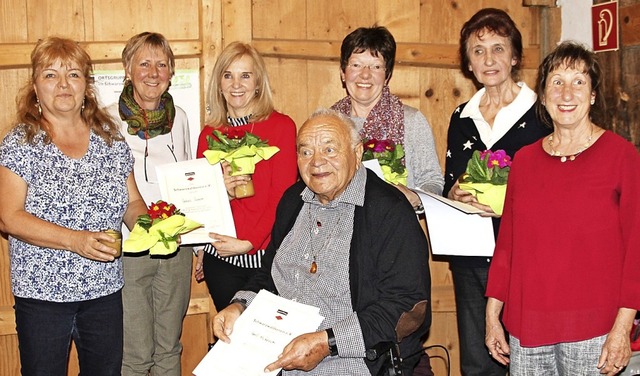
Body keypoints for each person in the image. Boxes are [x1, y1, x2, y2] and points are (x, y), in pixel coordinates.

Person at [213, 108, 431, 375]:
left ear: (357, 152)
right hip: (275, 350)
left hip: (351, 359)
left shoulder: (389, 211)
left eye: (329, 150)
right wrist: (240, 305)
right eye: (305, 152)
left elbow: (407, 307)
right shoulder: (293, 200)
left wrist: (327, 342)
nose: (316, 162)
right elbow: (270, 274)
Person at [485, 41, 640, 376]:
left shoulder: (622, 156)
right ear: (543, 96)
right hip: (528, 328)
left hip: (596, 330)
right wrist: (492, 314)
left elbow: (637, 251)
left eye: (579, 82)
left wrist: (622, 327)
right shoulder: (525, 160)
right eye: (557, 82)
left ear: (593, 95)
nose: (566, 93)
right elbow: (508, 245)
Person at [0, 36, 147, 376]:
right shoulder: (20, 143)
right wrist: (75, 240)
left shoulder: (110, 139)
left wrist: (153, 227)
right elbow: (9, 217)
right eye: (51, 75)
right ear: (35, 87)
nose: (63, 84)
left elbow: (133, 203)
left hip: (105, 290)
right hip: (43, 296)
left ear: (86, 85)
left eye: (74, 74)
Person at [443, 8, 551, 376]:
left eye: (498, 48)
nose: (489, 59)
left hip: (526, 256)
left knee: (526, 356)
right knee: (477, 361)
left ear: (515, 56)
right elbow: (449, 183)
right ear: (468, 63)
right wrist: (454, 192)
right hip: (471, 255)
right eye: (478, 50)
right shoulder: (461, 117)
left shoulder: (542, 115)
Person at [106, 32, 192, 376]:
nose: (153, 72)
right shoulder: (105, 120)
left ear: (171, 72)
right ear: (128, 69)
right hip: (130, 248)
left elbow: (189, 179)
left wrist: (196, 244)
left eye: (161, 64)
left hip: (175, 247)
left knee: (169, 348)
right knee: (136, 352)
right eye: (144, 63)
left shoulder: (181, 118)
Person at [195, 42, 297, 312]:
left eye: (245, 75)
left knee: (267, 344)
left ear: (258, 83)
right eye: (228, 75)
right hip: (221, 258)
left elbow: (283, 197)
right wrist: (202, 244)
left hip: (265, 258)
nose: (236, 84)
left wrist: (249, 242)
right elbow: (201, 199)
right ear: (219, 83)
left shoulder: (281, 127)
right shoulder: (209, 134)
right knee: (232, 339)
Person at [331, 26, 443, 211]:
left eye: (376, 66)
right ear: (343, 72)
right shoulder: (327, 122)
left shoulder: (412, 121)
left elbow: (433, 181)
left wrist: (414, 197)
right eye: (356, 65)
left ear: (387, 75)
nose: (365, 74)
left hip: (396, 229)